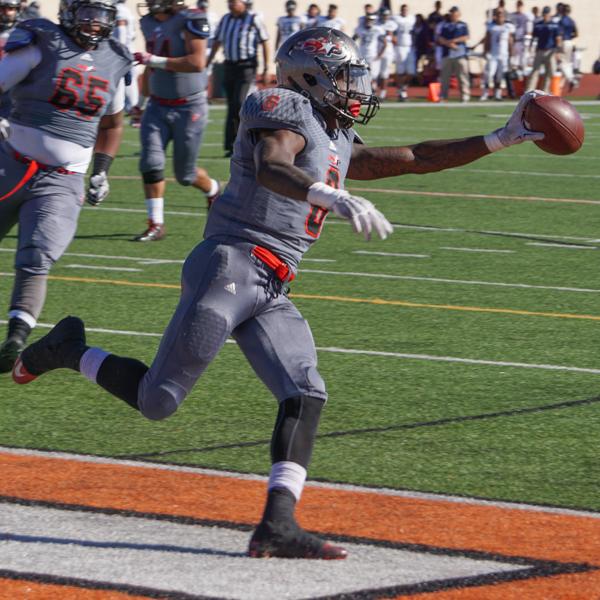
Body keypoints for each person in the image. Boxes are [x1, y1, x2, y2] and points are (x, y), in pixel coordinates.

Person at [13, 26, 545, 558]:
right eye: (343, 77)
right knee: (158, 401)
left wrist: (499, 137)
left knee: (306, 392)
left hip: (271, 282)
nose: (353, 88)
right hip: (232, 262)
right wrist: (326, 195)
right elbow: (273, 164)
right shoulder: (282, 105)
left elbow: (412, 156)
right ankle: (69, 349)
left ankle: (277, 524)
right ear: (308, 76)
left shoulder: (330, 128)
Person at [0, 0, 131, 373]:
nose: (94, 22)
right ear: (69, 12)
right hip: (11, 161)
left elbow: (113, 124)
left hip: (64, 176)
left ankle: (16, 337)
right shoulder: (41, 42)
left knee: (37, 254)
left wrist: (102, 170)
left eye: (102, 15)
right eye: (87, 12)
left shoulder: (115, 58)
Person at [132, 0, 220, 242]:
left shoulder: (191, 19)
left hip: (189, 106)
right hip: (158, 104)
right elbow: (149, 67)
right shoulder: (148, 22)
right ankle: (156, 224)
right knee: (150, 162)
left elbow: (197, 62)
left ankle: (214, 189)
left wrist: (153, 60)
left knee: (186, 175)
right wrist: (141, 101)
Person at [208, 0, 269, 158]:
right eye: (229, 2)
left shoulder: (254, 18)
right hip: (229, 66)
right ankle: (231, 145)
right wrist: (208, 62)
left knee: (240, 103)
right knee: (231, 106)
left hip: (247, 67)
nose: (231, 5)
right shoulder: (225, 19)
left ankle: (248, 141)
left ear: (243, 3)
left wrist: (267, 67)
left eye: (234, 2)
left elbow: (265, 42)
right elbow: (217, 41)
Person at [480, 7, 514, 101]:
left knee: (500, 75)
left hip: (503, 54)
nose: (499, 15)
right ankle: (485, 93)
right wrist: (485, 51)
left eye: (501, 13)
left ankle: (497, 94)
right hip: (493, 54)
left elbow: (510, 41)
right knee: (489, 74)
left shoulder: (508, 26)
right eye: (498, 13)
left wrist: (511, 53)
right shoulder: (491, 26)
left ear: (504, 15)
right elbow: (487, 39)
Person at [526, 5, 562, 92]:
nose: (545, 15)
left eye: (547, 13)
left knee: (549, 72)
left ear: (550, 14)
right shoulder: (538, 25)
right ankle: (529, 90)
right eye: (544, 14)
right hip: (540, 50)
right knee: (535, 71)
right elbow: (534, 37)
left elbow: (558, 38)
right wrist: (531, 48)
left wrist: (557, 51)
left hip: (550, 51)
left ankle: (545, 90)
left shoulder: (554, 25)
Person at [438, 5, 470, 101]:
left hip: (460, 53)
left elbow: (466, 37)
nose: (453, 15)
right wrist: (448, 43)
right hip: (447, 53)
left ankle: (465, 95)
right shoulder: (445, 25)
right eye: (451, 13)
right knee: (445, 77)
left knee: (462, 76)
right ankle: (443, 96)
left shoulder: (463, 25)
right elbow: (440, 38)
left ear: (458, 14)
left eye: (454, 13)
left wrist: (454, 41)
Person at [113, 0, 138, 115]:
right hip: (128, 50)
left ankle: (133, 110)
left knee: (127, 84)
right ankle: (133, 109)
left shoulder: (119, 9)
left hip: (124, 52)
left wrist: (120, 51)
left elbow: (121, 31)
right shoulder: (125, 9)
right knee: (130, 84)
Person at [353, 13, 386, 96]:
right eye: (367, 20)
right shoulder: (360, 29)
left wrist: (380, 54)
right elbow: (352, 40)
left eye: (370, 20)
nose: (369, 22)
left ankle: (372, 90)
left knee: (372, 75)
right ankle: (368, 91)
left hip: (373, 55)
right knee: (362, 75)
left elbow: (385, 43)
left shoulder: (378, 29)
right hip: (362, 55)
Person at [0, 0, 21, 118]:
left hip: (11, 88)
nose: (6, 12)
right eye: (2, 8)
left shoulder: (23, 32)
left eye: (11, 8)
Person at [393, 3, 416, 101]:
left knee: (411, 72)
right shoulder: (396, 18)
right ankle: (401, 91)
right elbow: (392, 31)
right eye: (403, 9)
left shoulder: (412, 18)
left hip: (410, 47)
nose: (405, 11)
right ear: (401, 10)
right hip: (400, 46)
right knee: (400, 71)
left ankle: (403, 87)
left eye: (406, 9)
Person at [556, 4, 577, 92]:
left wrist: (558, 47)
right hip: (570, 42)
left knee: (561, 63)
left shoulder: (561, 21)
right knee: (567, 63)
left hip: (564, 42)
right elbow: (576, 34)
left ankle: (571, 79)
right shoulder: (572, 21)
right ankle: (566, 81)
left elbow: (559, 35)